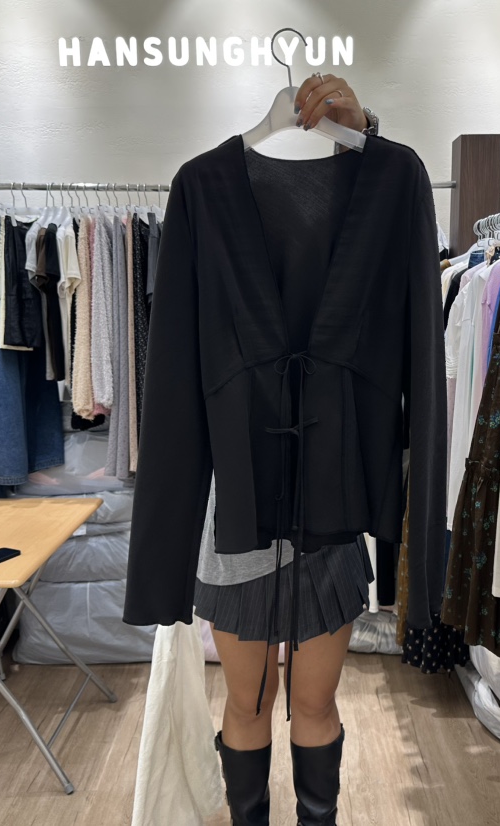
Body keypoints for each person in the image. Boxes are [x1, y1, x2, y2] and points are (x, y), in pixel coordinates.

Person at [200, 73, 379, 826]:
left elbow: (386, 210)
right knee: (248, 700)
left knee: (313, 700)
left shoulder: (365, 198)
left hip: (329, 498)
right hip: (240, 502)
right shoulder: (205, 197)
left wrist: (365, 133)